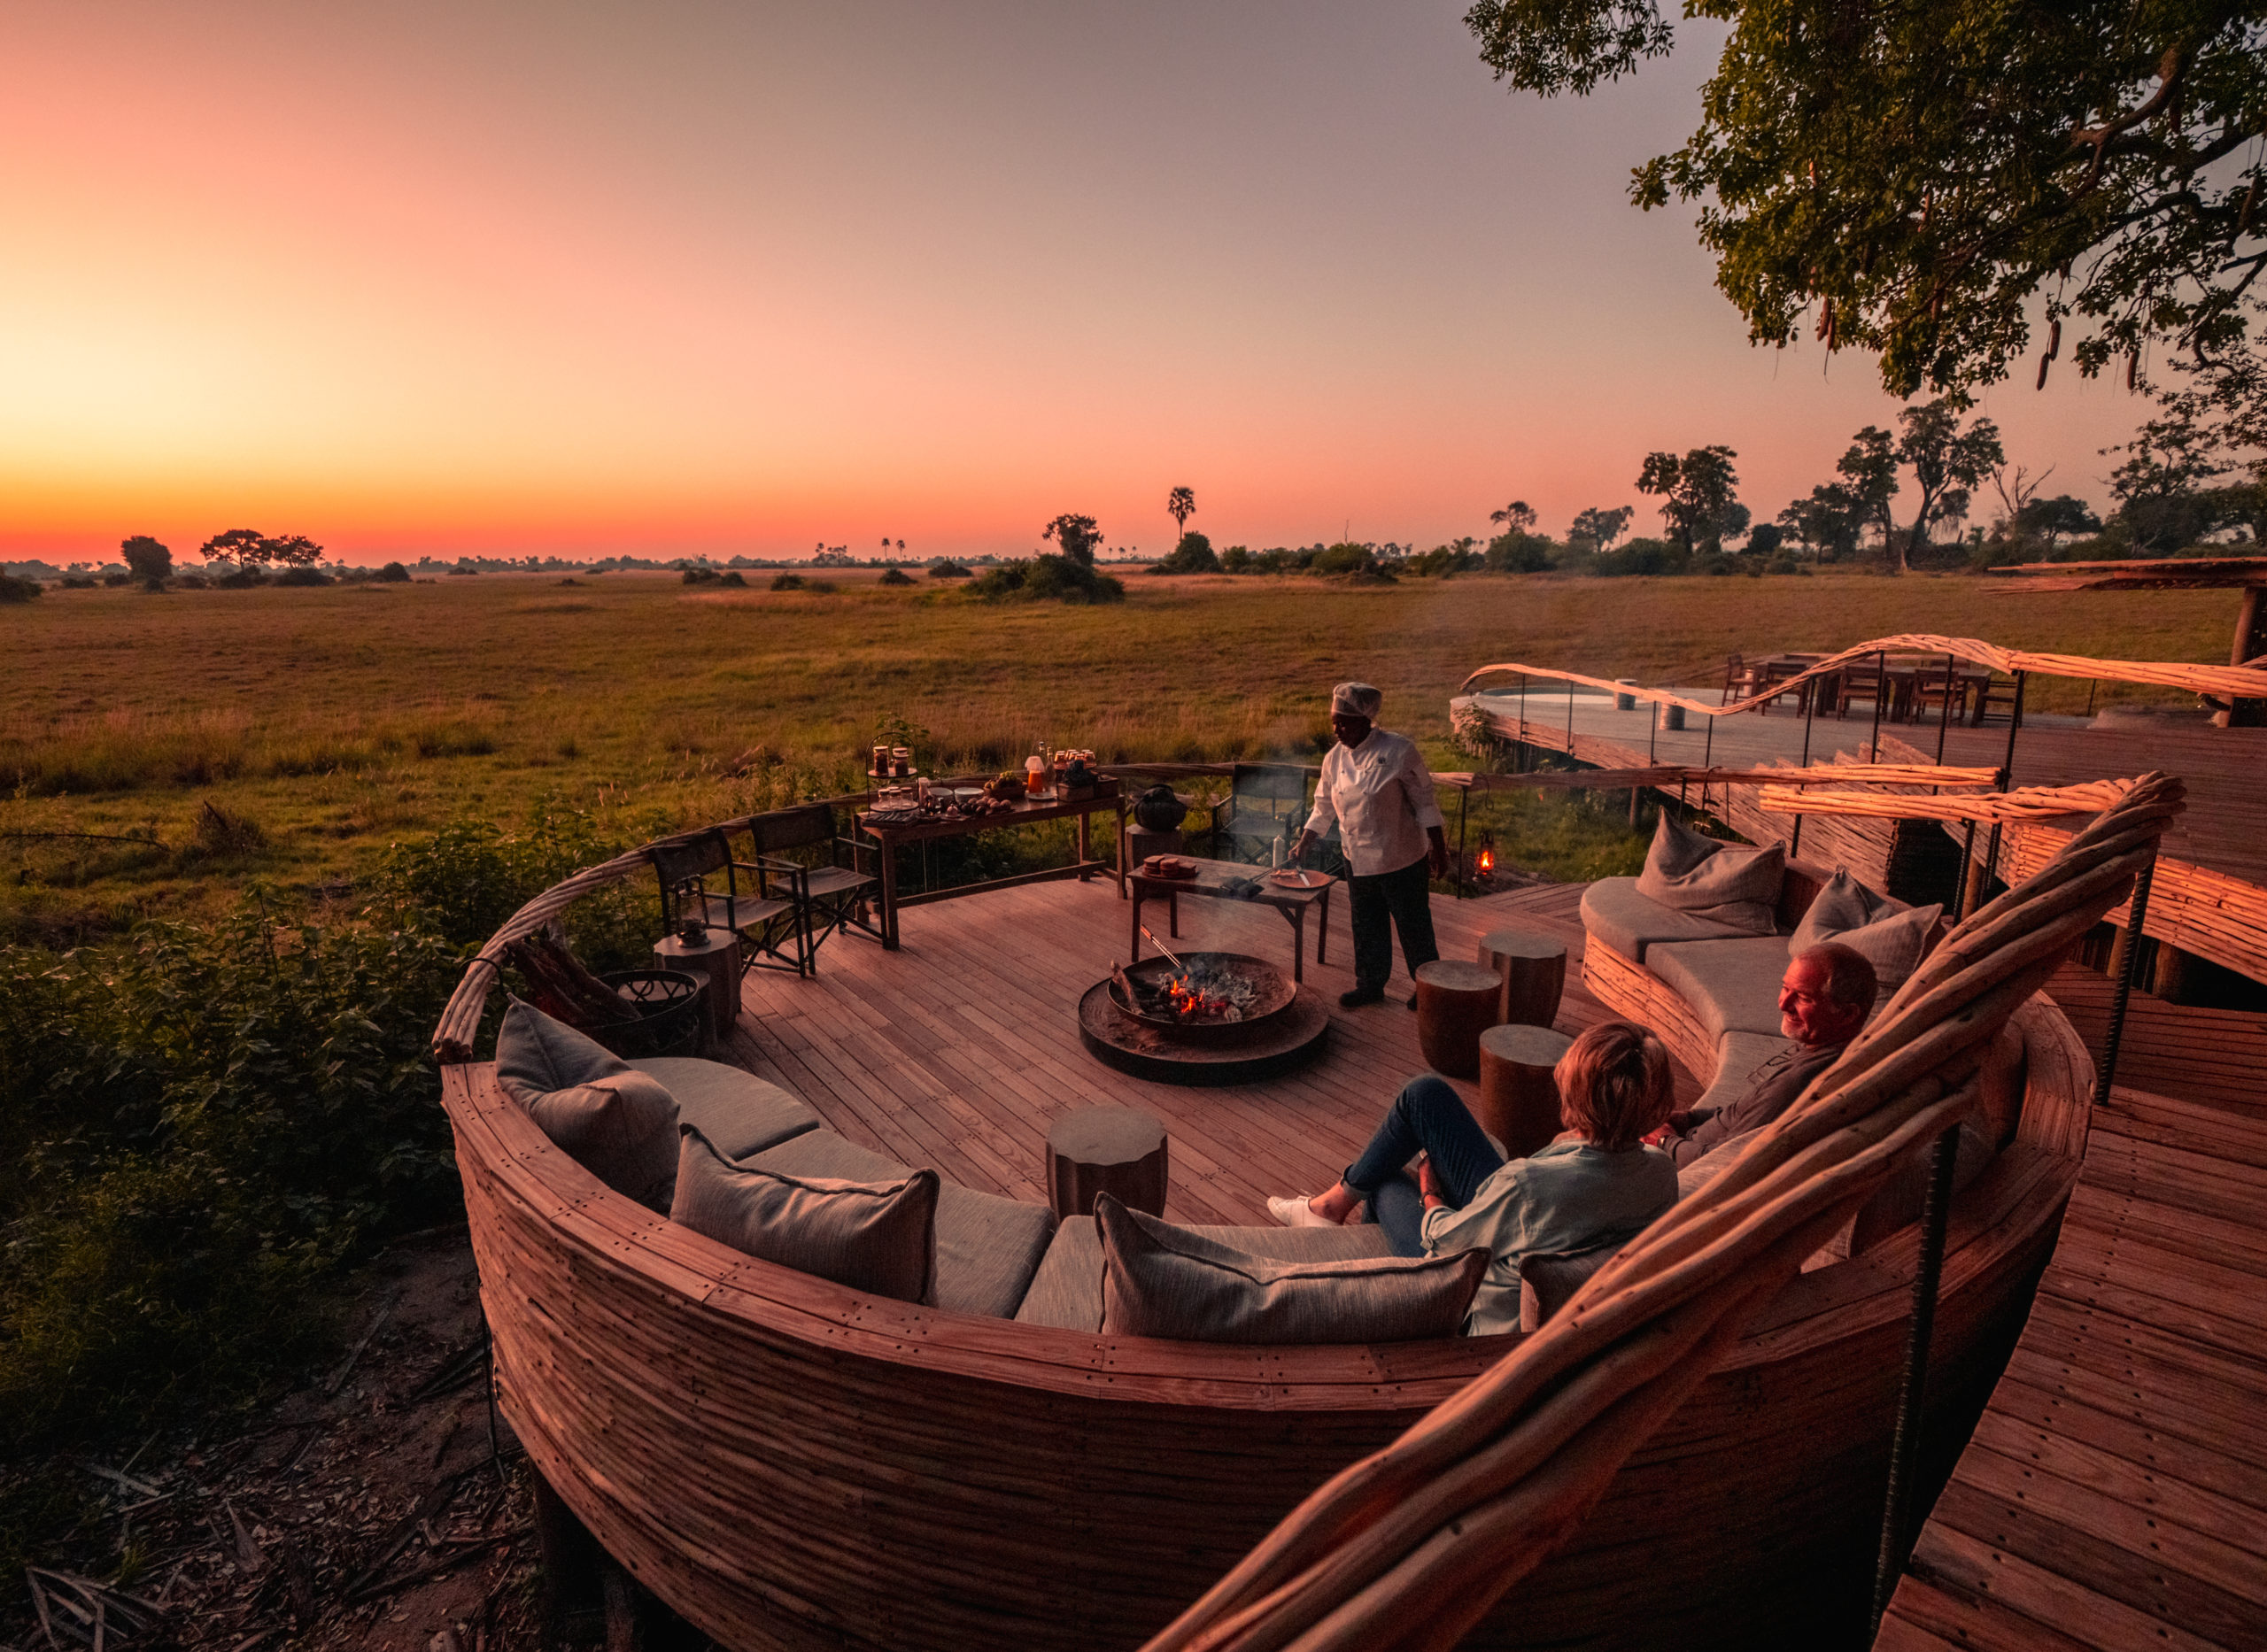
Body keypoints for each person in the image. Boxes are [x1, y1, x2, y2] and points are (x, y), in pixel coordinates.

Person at [1265, 1021, 1681, 1336]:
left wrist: (1431, 1195)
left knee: (1388, 1183)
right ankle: (1328, 1207)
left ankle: (1387, 1307)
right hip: (1535, 1224)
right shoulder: (1661, 1171)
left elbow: (1449, 1243)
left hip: (1470, 1302)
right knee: (1425, 1096)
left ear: (1576, 1091)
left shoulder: (1528, 1184)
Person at [1289, 681, 1448, 1009]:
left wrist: (1439, 849)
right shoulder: (1334, 759)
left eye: (1344, 722)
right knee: (1366, 925)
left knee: (1414, 926)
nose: (1337, 729)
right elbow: (1323, 806)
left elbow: (1425, 803)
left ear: (1365, 719)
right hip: (1357, 859)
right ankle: (1370, 984)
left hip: (1401, 857)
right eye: (1333, 722)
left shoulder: (1399, 751)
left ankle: (1430, 990)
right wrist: (1305, 842)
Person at [1652, 942, 1876, 1169]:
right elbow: (1739, 1113)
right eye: (1785, 988)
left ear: (1848, 1014)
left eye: (1803, 998)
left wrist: (1663, 1141)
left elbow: (1719, 1164)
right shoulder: (1829, 1051)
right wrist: (1689, 1119)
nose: (1783, 1004)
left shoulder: (1797, 1085)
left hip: (1678, 1167)